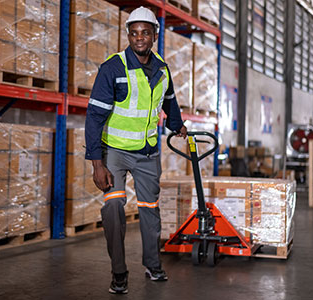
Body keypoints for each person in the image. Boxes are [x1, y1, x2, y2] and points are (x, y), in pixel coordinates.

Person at [84, 6, 187, 295]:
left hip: (148, 152)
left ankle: (153, 265)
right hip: (114, 152)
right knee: (114, 207)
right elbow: (94, 117)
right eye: (134, 32)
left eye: (145, 32)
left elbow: (169, 101)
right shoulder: (113, 68)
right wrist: (96, 163)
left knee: (150, 210)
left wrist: (177, 125)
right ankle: (119, 273)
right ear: (128, 35)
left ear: (155, 35)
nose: (139, 38)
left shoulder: (163, 69)